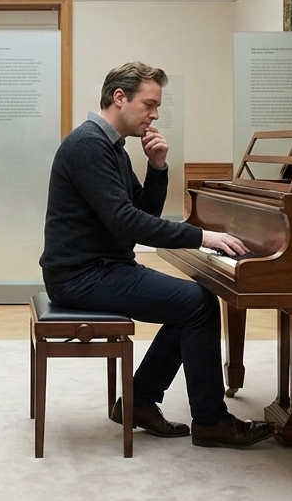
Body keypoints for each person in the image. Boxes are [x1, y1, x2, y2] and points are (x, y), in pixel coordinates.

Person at [39, 62, 273, 449]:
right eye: (149, 104)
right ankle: (209, 421)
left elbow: (143, 212)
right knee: (197, 304)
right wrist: (202, 236)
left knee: (192, 304)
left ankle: (140, 401)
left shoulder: (110, 146)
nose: (155, 114)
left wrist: (158, 167)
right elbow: (126, 222)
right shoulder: (87, 145)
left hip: (101, 267)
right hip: (80, 276)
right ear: (119, 97)